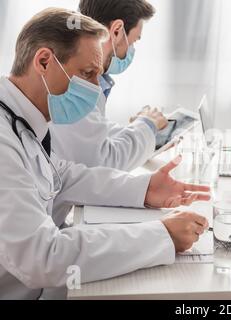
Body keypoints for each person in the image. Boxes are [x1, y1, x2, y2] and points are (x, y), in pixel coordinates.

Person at [0, 8, 210, 300]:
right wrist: (161, 235)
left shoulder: (25, 119)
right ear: (44, 61)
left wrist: (145, 189)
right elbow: (43, 257)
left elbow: (62, 175)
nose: (96, 87)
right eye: (88, 73)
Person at [50, 0, 169, 171]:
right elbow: (104, 163)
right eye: (134, 41)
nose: (131, 50)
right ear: (117, 30)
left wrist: (144, 129)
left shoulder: (77, 68)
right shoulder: (73, 80)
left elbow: (94, 133)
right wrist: (147, 125)